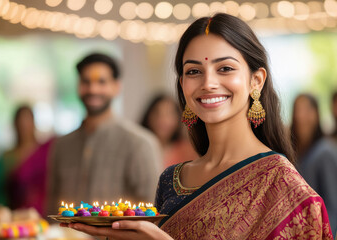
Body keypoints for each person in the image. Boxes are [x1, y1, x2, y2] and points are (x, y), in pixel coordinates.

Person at [61, 14, 333, 239]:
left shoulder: (283, 186)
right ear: (182, 85)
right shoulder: (171, 181)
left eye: (225, 68)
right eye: (193, 71)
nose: (208, 83)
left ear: (256, 81)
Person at [46, 53, 162, 215]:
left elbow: (151, 209)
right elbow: (52, 206)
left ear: (116, 87)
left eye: (101, 82)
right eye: (86, 82)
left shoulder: (139, 143)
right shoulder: (62, 145)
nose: (93, 89)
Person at [291, 94, 337, 237]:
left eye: (306, 110)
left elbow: (333, 206)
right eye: (297, 110)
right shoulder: (294, 153)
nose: (300, 116)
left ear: (316, 114)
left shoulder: (325, 152)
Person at [0, 105, 39, 210]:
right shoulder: (7, 157)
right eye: (21, 122)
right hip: (11, 212)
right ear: (15, 125)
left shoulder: (42, 153)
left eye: (27, 121)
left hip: (39, 211)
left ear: (33, 124)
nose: (24, 126)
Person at [141, 94, 198, 169]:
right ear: (148, 116)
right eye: (157, 113)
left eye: (168, 114)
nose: (162, 120)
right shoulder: (140, 149)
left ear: (178, 118)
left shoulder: (188, 151)